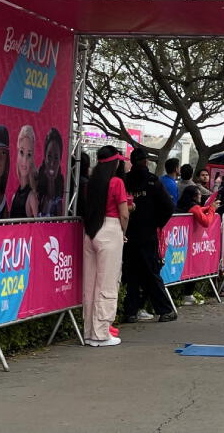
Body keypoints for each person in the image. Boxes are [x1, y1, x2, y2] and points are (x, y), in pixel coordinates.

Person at [80, 145, 129, 347]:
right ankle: (101, 333)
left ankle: (89, 332)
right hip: (110, 229)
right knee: (107, 283)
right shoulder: (116, 182)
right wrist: (123, 233)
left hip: (91, 231)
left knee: (90, 285)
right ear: (115, 162)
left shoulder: (90, 183)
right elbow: (124, 213)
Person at [122, 148, 176, 323]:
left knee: (131, 275)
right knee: (151, 273)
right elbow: (168, 206)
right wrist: (156, 223)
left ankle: (131, 312)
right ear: (146, 161)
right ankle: (165, 309)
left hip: (128, 234)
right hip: (147, 234)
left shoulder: (125, 181)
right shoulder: (153, 181)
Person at [175, 184, 217, 307]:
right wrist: (212, 209)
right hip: (188, 244)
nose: (201, 196)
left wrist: (208, 208)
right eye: (199, 194)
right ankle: (187, 295)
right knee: (191, 267)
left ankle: (185, 294)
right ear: (194, 196)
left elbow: (199, 211)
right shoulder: (193, 207)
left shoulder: (184, 205)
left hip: (182, 243)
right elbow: (206, 222)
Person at [7, 125, 37, 218]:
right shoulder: (15, 196)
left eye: (29, 154)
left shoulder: (31, 196)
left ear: (32, 158)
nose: (24, 160)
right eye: (21, 152)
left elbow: (39, 228)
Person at [35, 128, 65, 217]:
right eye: (49, 156)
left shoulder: (63, 188)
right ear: (44, 157)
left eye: (56, 158)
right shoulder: (36, 180)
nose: (52, 163)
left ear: (60, 160)